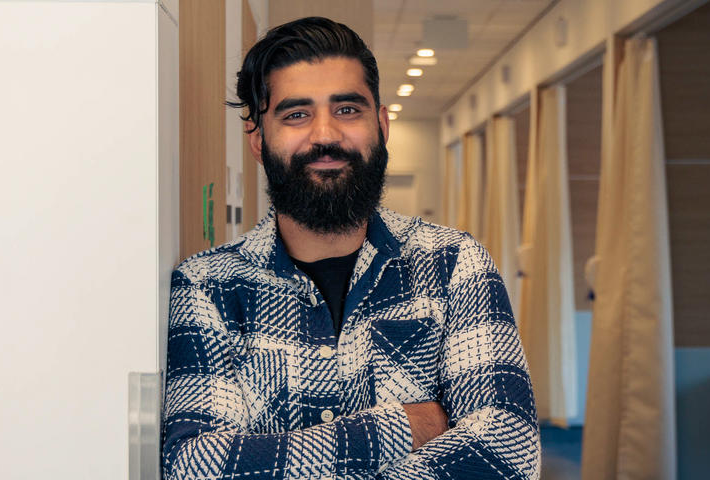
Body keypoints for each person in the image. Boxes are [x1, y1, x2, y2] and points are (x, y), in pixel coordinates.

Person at [162, 17, 539, 479]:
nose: (326, 135)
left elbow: (508, 452)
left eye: (347, 110)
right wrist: (404, 425)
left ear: (381, 123)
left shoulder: (454, 264)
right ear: (259, 140)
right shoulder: (208, 287)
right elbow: (193, 467)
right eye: (296, 114)